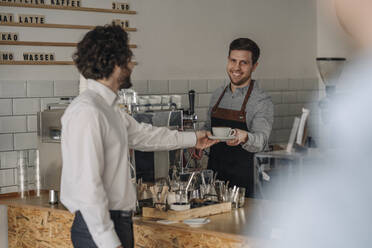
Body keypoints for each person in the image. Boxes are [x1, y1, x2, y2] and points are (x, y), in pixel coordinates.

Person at [60, 25, 218, 248]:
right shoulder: (88, 111)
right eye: (129, 58)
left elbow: (144, 136)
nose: (132, 65)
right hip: (98, 230)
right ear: (115, 63)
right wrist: (109, 242)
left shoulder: (109, 108)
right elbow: (88, 187)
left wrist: (194, 138)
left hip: (116, 223)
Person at [198, 38, 273, 197]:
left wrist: (245, 137)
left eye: (244, 63)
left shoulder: (261, 100)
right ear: (228, 61)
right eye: (233, 61)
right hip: (215, 182)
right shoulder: (218, 95)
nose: (236, 68)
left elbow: (261, 141)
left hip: (246, 184)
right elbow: (208, 128)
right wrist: (197, 141)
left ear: (254, 66)